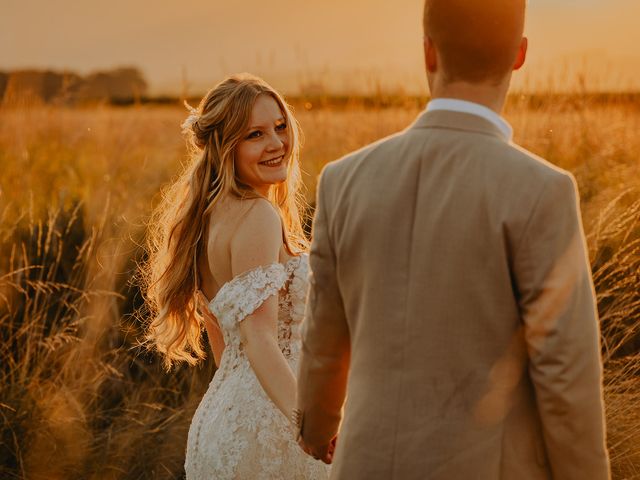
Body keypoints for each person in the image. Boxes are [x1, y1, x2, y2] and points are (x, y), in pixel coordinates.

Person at [295, 0, 611, 478]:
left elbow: (323, 338)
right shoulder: (542, 191)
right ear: (519, 55)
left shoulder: (344, 180)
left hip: (364, 465)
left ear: (427, 51)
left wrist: (317, 429)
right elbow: (566, 377)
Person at [142, 73, 329, 479]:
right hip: (278, 426)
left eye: (280, 127)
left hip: (225, 419)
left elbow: (223, 340)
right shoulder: (258, 215)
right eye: (255, 135)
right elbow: (259, 337)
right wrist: (309, 425)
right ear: (225, 147)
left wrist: (243, 414)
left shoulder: (206, 219)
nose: (276, 144)